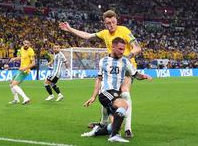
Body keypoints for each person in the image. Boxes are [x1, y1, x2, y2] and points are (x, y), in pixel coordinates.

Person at [59, 10, 142, 138]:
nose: (111, 25)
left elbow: (137, 48)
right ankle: (104, 124)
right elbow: (87, 36)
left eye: (113, 22)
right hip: (111, 69)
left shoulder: (124, 30)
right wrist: (70, 29)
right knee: (106, 95)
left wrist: (126, 57)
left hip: (126, 68)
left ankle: (128, 128)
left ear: (116, 21)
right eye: (108, 23)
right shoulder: (104, 33)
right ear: (104, 23)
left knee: (125, 93)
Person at [81, 37, 152, 143]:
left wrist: (144, 76)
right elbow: (99, 79)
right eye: (120, 49)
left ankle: (96, 132)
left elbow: (136, 75)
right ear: (113, 47)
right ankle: (114, 136)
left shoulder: (125, 61)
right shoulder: (103, 61)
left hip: (115, 94)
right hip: (105, 93)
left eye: (123, 49)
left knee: (115, 124)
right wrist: (93, 96)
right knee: (124, 105)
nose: (122, 51)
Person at [8, 40, 35, 105]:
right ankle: (16, 99)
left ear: (29, 44)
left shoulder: (31, 51)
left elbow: (33, 63)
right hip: (21, 69)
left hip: (25, 71)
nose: (26, 44)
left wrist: (24, 68)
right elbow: (21, 57)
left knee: (14, 85)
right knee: (11, 83)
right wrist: (14, 58)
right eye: (25, 43)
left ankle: (26, 98)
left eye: (27, 43)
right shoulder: (22, 49)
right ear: (23, 44)